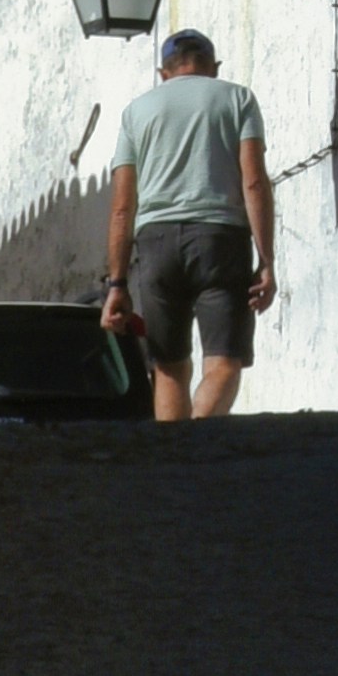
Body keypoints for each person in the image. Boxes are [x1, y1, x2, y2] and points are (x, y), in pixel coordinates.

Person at [103, 30, 275, 423]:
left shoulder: (136, 112)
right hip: (220, 239)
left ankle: (174, 452)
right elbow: (253, 182)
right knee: (225, 362)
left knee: (168, 367)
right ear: (214, 68)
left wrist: (117, 284)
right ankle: (198, 436)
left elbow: (122, 207)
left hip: (155, 243)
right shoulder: (238, 99)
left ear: (163, 73)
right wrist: (266, 261)